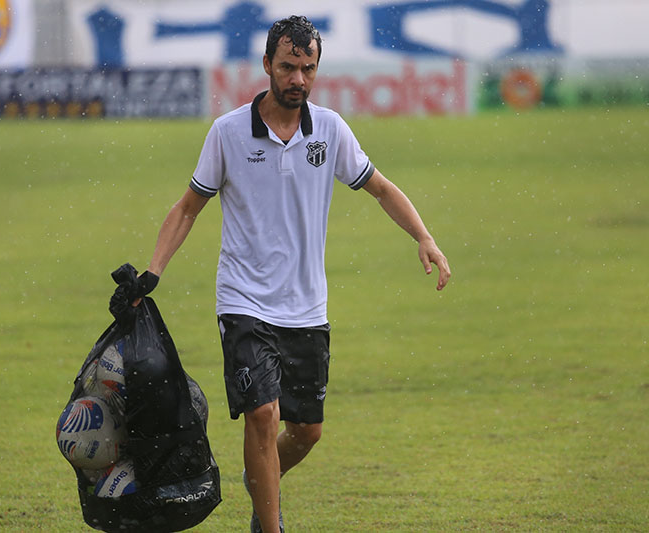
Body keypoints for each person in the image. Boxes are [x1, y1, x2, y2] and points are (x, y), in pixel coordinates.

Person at [131, 15, 451, 533]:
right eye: (287, 67)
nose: (298, 78)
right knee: (262, 417)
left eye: (307, 68)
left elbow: (381, 187)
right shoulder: (229, 133)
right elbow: (189, 207)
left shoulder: (330, 130)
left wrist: (424, 237)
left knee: (306, 432)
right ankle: (270, 524)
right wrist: (153, 273)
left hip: (306, 305)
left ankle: (261, 480)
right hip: (243, 301)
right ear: (266, 66)